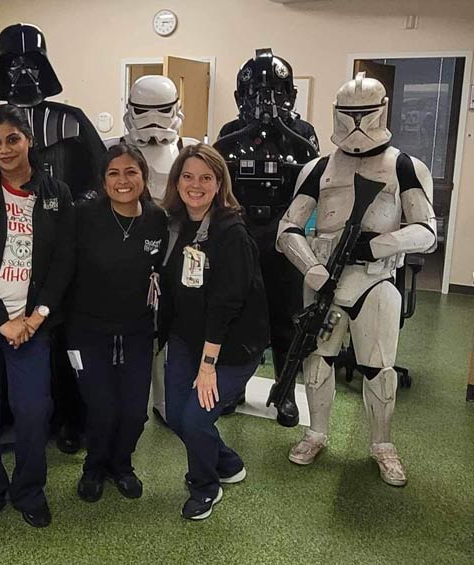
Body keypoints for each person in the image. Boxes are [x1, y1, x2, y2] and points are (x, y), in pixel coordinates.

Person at [0, 23, 105, 454]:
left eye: (31, 63)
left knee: (62, 341)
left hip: (61, 246)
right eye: (12, 63)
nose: (22, 72)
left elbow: (101, 176)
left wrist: (72, 210)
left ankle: (68, 421)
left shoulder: (71, 119)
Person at [276, 73, 436, 486]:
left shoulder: (404, 166)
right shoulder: (318, 168)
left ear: (382, 111)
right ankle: (316, 433)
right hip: (322, 280)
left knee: (378, 369)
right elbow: (288, 228)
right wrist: (311, 266)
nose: (358, 122)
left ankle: (382, 444)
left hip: (374, 280)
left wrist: (377, 246)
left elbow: (427, 230)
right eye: (349, 114)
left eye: (366, 113)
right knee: (315, 360)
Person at [0, 104, 75, 528]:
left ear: (29, 141)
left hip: (32, 326)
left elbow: (64, 261)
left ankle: (28, 490)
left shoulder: (56, 193)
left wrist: (35, 318)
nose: (4, 149)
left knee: (32, 411)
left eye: (12, 139)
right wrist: (0, 319)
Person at [158, 143, 269, 520]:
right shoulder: (174, 224)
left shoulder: (231, 233)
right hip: (187, 336)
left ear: (220, 183)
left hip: (232, 345)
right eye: (188, 176)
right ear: (177, 181)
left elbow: (226, 305)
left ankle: (204, 485)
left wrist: (208, 366)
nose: (196, 185)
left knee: (194, 419)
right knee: (175, 415)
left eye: (206, 177)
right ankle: (227, 460)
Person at [214, 48, 319, 427]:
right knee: (238, 316)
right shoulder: (230, 133)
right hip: (241, 237)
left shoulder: (302, 134)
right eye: (258, 92)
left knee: (285, 321)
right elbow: (218, 179)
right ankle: (236, 387)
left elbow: (313, 181)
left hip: (284, 239)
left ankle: (285, 391)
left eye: (274, 91)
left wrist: (282, 128)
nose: (266, 101)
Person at [66, 144, 168, 502]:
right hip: (87, 331)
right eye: (114, 173)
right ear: (103, 179)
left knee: (135, 412)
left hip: (137, 331)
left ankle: (121, 465)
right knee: (101, 408)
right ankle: (94, 466)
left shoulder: (157, 219)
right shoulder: (83, 217)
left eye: (131, 172)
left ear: (144, 176)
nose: (123, 181)